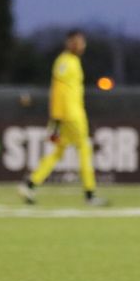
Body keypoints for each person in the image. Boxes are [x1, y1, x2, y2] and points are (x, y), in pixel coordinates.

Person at [18, 29, 108, 206]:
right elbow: (59, 91)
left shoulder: (69, 61)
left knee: (57, 152)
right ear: (71, 43)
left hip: (67, 114)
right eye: (79, 42)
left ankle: (30, 184)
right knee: (84, 149)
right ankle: (90, 195)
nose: (82, 45)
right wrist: (57, 118)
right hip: (71, 115)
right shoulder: (66, 62)